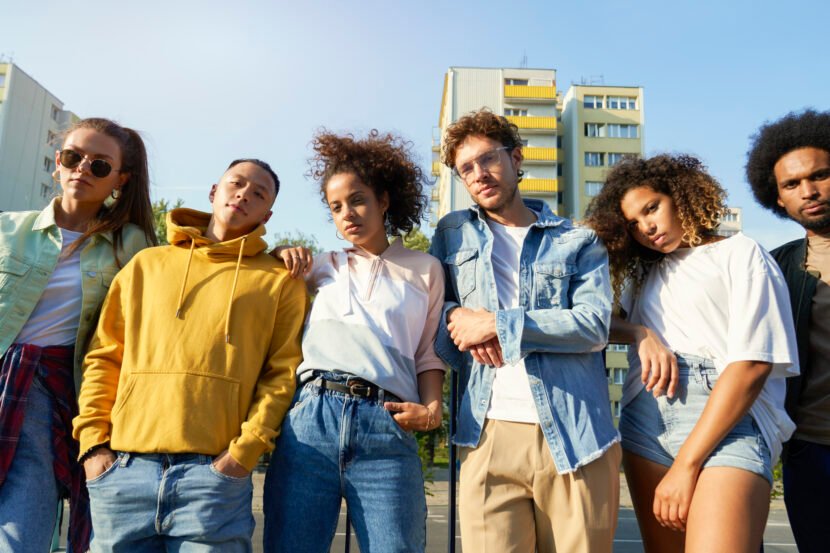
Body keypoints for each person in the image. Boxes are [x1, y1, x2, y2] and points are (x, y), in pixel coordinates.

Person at [72, 159, 307, 552]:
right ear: (214, 192)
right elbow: (104, 356)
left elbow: (281, 374)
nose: (244, 193)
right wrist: (94, 445)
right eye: (236, 183)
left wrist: (242, 454)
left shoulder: (281, 281)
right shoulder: (146, 265)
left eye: (258, 193)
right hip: (124, 470)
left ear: (266, 214)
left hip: (214, 477)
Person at [585, 154, 799, 553]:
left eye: (652, 208)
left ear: (681, 196)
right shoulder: (645, 275)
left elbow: (753, 364)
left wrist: (686, 464)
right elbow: (590, 322)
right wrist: (640, 332)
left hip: (728, 420)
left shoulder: (741, 253)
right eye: (632, 223)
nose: (646, 227)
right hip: (645, 418)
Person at [430, 109, 620, 553]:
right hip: (486, 432)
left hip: (577, 437)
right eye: (466, 169)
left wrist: (497, 323)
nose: (479, 175)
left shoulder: (578, 240)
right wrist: (455, 316)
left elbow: (593, 325)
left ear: (517, 159)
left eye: (488, 159)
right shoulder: (452, 233)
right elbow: (433, 306)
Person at [262, 130, 444, 553]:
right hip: (310, 421)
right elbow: (264, 286)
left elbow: (428, 354)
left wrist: (433, 410)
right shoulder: (322, 265)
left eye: (358, 199)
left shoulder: (426, 270)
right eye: (336, 207)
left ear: (383, 200)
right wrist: (280, 252)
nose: (348, 214)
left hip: (387, 423)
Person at [0, 118, 156, 552]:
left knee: (21, 531)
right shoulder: (7, 229)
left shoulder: (131, 245)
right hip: (4, 378)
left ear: (120, 181)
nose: (83, 168)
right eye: (73, 157)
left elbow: (185, 277)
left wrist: (272, 254)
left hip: (46, 396)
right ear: (57, 163)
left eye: (100, 165)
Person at [745, 109, 830, 553]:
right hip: (812, 451)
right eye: (792, 184)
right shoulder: (775, 266)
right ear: (777, 198)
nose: (809, 191)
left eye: (821, 175)